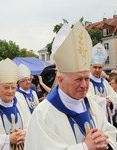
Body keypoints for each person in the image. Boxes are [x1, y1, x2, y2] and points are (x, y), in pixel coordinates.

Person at [24, 22, 117, 150]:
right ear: (60, 80)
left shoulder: (92, 106)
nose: (84, 85)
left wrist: (105, 141)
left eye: (86, 79)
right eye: (78, 79)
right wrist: (85, 147)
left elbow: (110, 132)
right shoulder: (43, 115)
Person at [87, 43, 117, 124]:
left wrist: (110, 100)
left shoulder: (104, 82)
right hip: (94, 119)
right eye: (95, 67)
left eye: (99, 67)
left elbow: (114, 96)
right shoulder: (87, 81)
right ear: (90, 66)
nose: (97, 70)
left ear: (102, 68)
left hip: (107, 118)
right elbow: (88, 98)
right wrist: (104, 101)